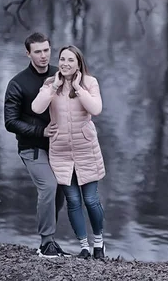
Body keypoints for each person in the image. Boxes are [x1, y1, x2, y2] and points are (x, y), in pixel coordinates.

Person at [31, 45, 107, 260]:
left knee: (91, 199)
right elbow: (37, 108)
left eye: (70, 60)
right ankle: (84, 247)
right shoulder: (50, 84)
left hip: (86, 149)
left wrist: (78, 88)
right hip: (61, 151)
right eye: (62, 59)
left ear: (78, 63)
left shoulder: (89, 83)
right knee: (73, 201)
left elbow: (96, 109)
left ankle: (99, 243)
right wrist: (54, 86)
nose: (65, 63)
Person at [4, 32, 70, 258]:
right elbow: (10, 122)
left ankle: (51, 241)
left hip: (60, 146)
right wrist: (40, 130)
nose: (43, 56)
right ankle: (46, 243)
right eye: (38, 51)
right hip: (32, 147)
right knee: (49, 186)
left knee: (61, 190)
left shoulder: (61, 74)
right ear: (28, 54)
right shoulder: (17, 83)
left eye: (46, 50)